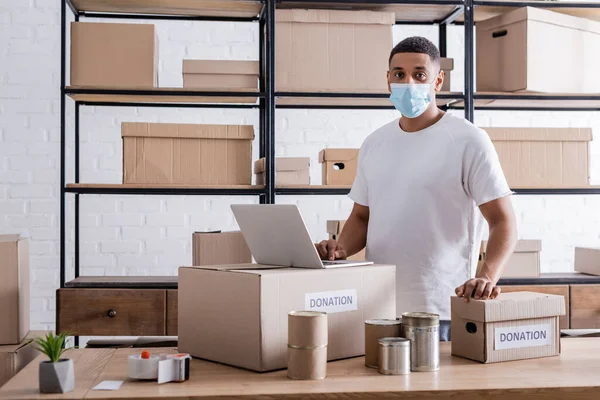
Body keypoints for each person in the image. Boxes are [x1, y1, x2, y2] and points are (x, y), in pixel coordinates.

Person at [315, 36, 518, 341]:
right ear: (387, 80)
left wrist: (486, 277)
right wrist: (339, 250)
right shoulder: (375, 143)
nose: (408, 82)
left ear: (438, 81)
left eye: (419, 74)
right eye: (399, 74)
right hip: (377, 307)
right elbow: (362, 218)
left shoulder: (468, 140)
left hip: (442, 307)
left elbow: (503, 221)